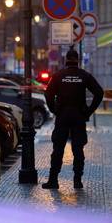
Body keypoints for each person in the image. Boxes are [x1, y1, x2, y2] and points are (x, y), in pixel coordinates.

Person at [42, 49, 104, 189]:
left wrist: (54, 109)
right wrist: (88, 111)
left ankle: (53, 180)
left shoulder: (58, 76)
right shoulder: (84, 75)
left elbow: (48, 94)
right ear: (78, 60)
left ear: (66, 60)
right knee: (78, 149)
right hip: (78, 116)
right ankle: (77, 180)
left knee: (58, 148)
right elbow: (99, 93)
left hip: (62, 116)